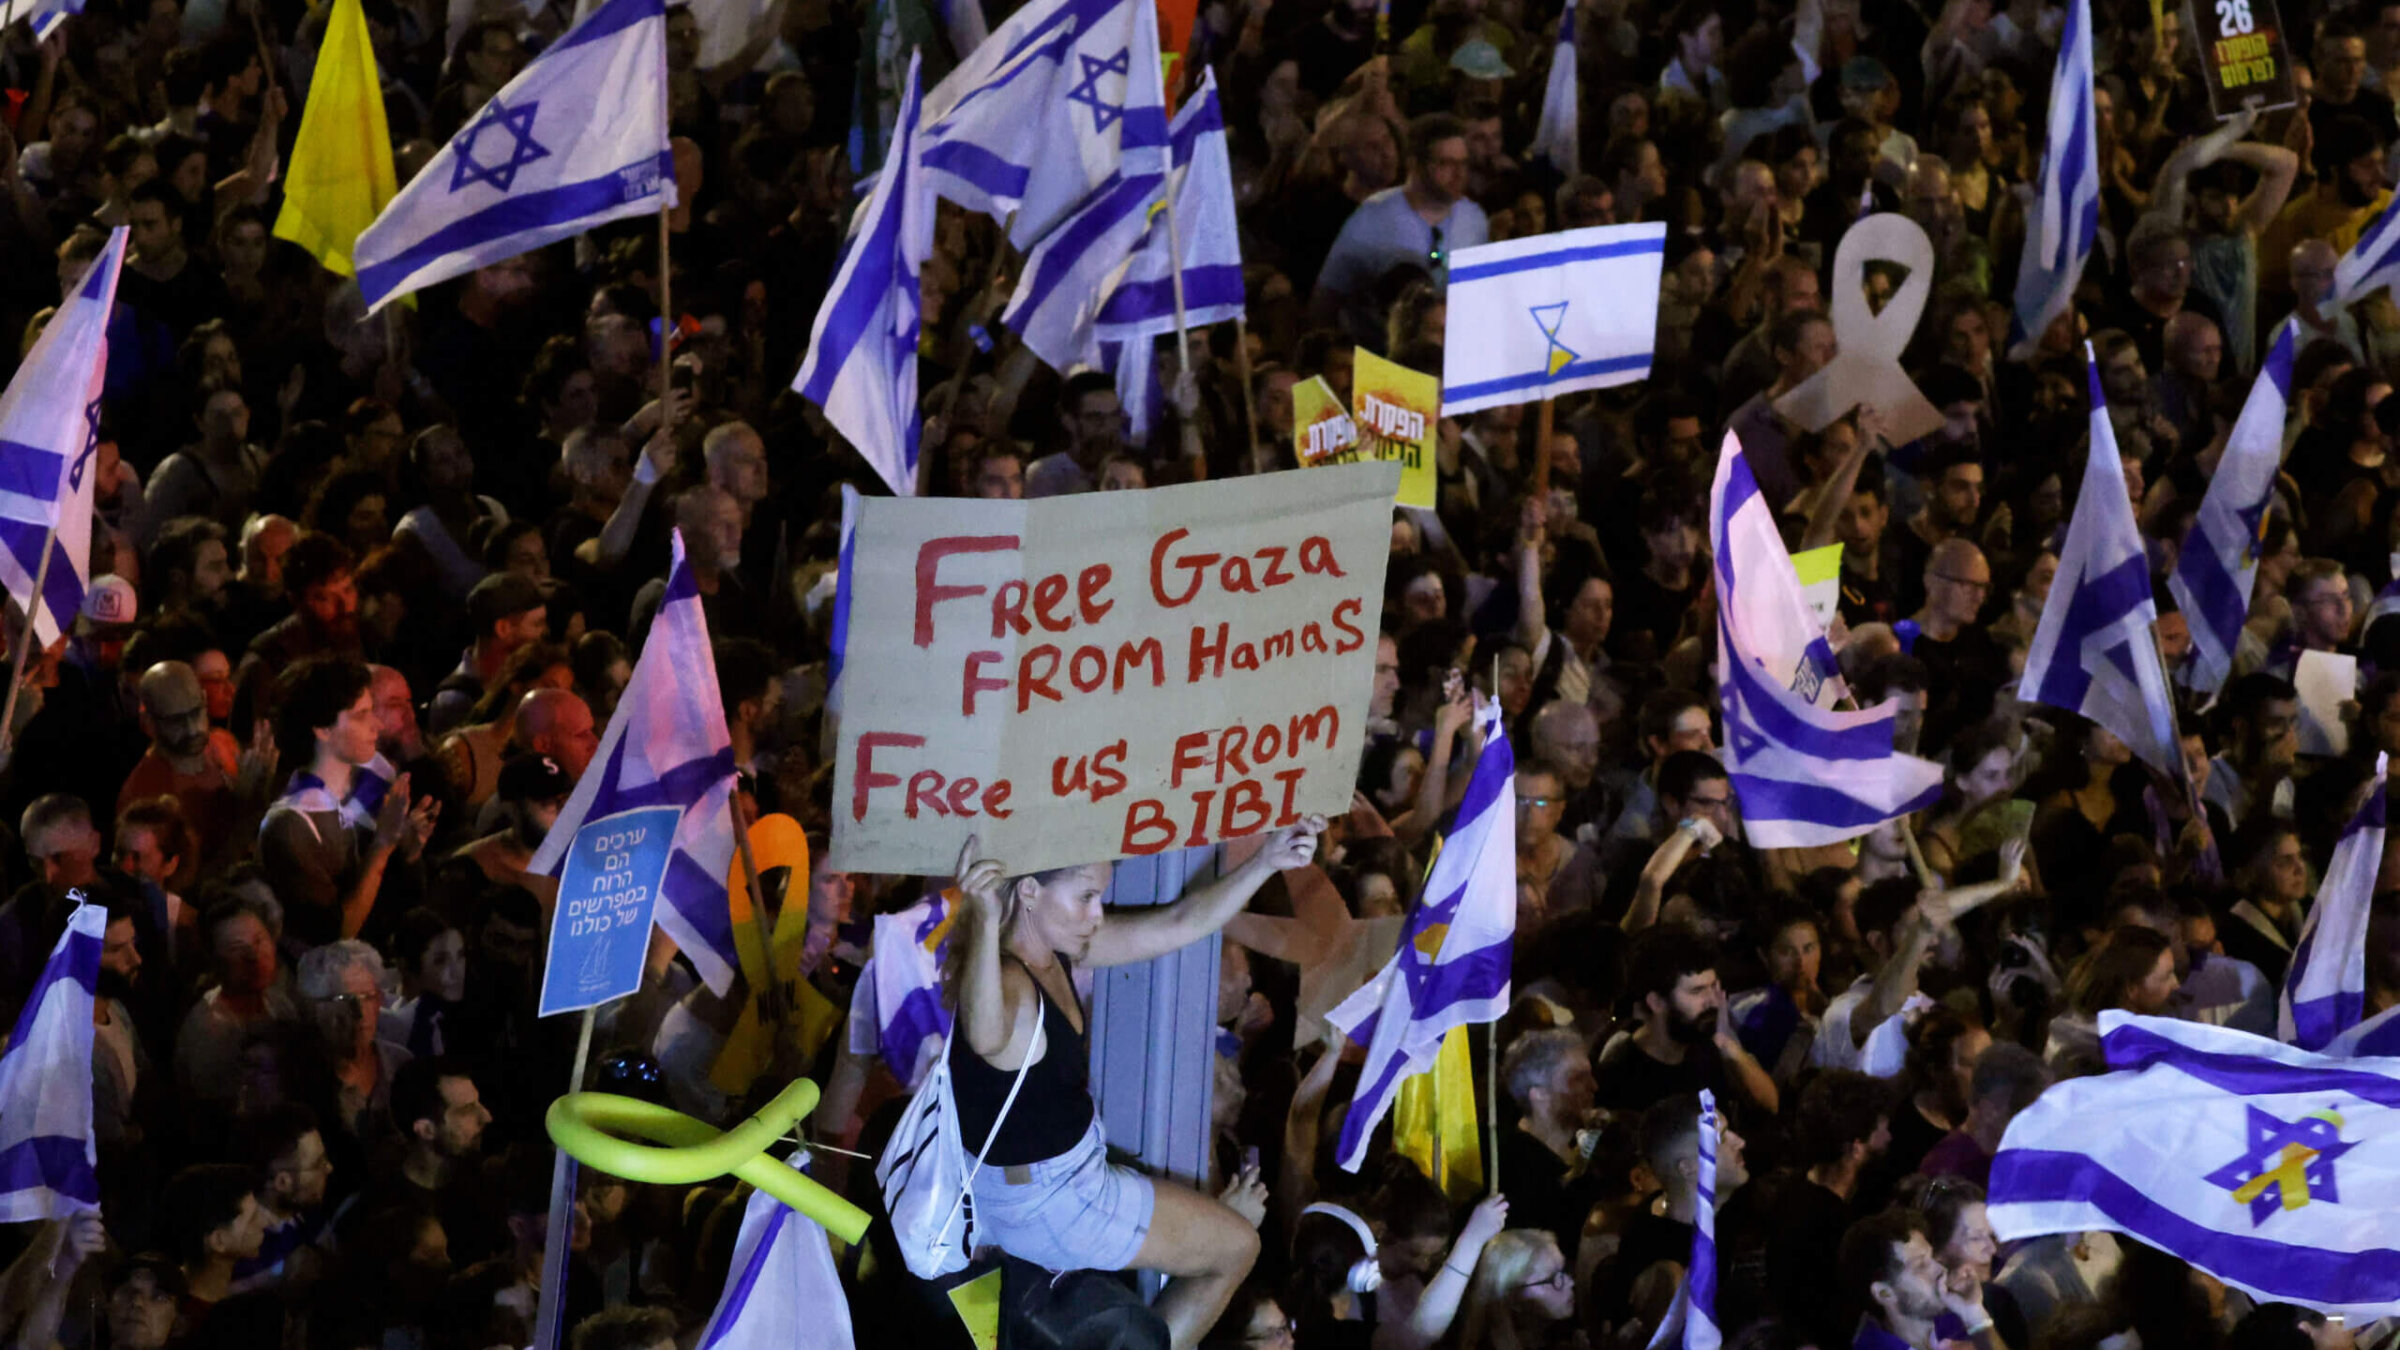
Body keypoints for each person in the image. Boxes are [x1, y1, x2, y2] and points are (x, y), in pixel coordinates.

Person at [947, 818, 1323, 1350]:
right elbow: (985, 1035)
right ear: (1029, 891)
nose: (1097, 914)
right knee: (1236, 1247)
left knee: (1230, 1241)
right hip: (1052, 1201)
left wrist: (1266, 860)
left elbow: (1178, 923)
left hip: (1053, 1186)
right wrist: (984, 919)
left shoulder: (1050, 953)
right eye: (1086, 897)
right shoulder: (1007, 978)